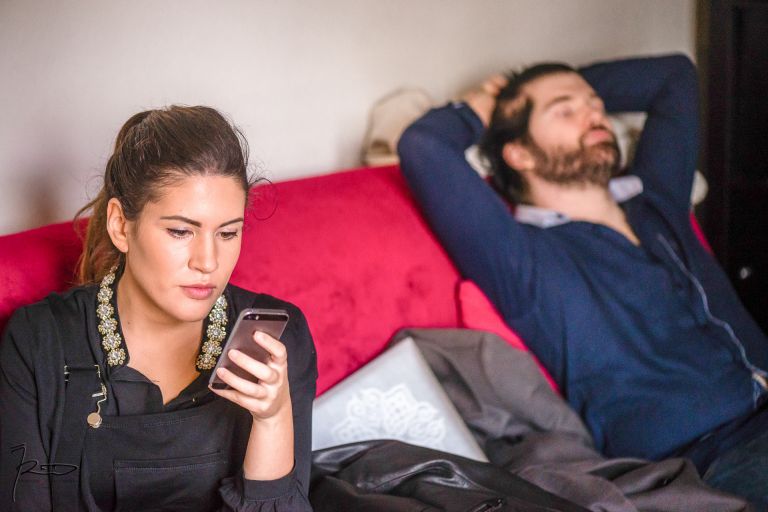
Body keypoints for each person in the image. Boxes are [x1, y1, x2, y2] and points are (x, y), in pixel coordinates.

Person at [398, 54, 768, 505]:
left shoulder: (656, 201)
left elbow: (674, 77)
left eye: (595, 104)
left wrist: (558, 89)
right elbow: (424, 145)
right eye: (565, 111)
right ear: (519, 153)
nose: (594, 114)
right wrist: (490, 104)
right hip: (710, 458)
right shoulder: (523, 259)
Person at [0, 106, 317, 511]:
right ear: (120, 225)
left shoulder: (276, 341)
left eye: (228, 233)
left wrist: (272, 420)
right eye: (180, 231)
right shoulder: (38, 340)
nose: (208, 262)